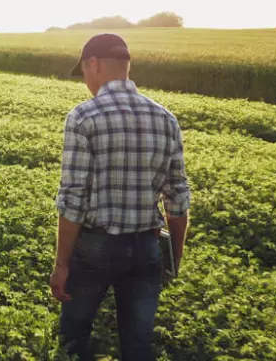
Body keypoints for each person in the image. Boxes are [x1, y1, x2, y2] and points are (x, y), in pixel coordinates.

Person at [49, 33, 191, 361]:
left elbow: (73, 199)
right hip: (147, 248)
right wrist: (173, 260)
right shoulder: (165, 118)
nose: (85, 81)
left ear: (93, 64)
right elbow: (178, 198)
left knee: (75, 337)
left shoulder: (84, 117)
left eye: (84, 71)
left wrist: (61, 265)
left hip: (95, 248)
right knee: (138, 345)